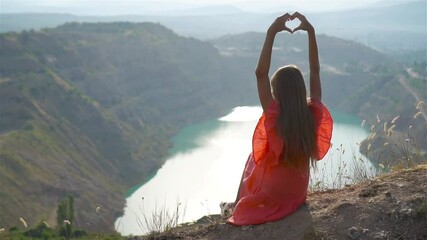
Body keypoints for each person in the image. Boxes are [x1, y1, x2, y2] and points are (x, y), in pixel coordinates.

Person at [223, 12, 333, 226]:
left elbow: (260, 73)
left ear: (278, 92)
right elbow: (315, 70)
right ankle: (238, 204)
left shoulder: (275, 116)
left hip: (275, 195)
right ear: (301, 90)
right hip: (297, 195)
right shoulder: (313, 113)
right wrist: (311, 32)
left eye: (273, 90)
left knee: (252, 158)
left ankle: (237, 205)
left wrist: (271, 32)